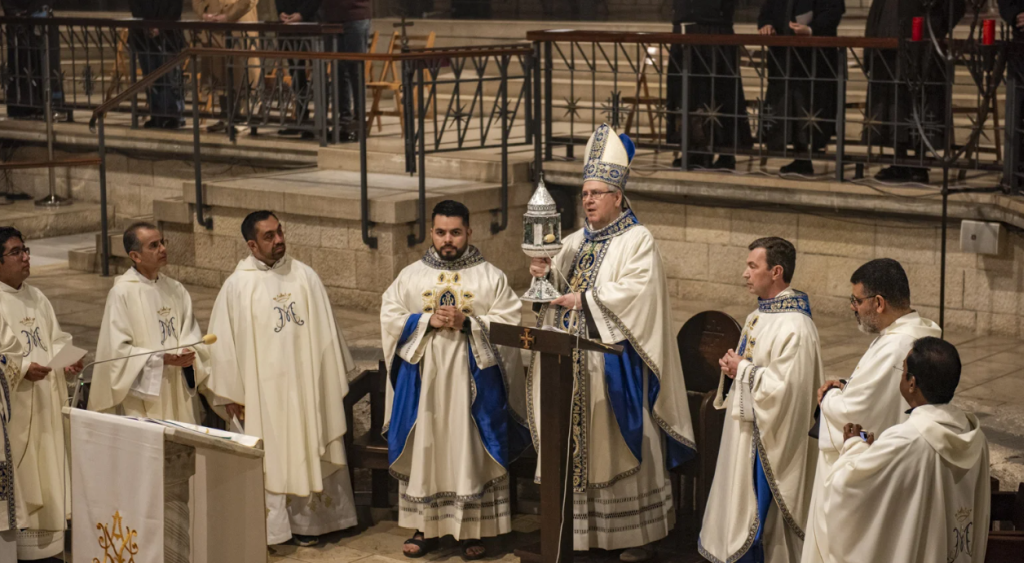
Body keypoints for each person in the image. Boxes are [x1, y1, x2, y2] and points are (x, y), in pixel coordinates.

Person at [528, 124, 696, 562]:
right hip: (570, 365)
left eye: (598, 193)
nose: (587, 200)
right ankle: (578, 533)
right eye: (584, 192)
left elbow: (638, 296)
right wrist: (542, 275)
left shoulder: (637, 240)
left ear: (618, 197)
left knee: (616, 445)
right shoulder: (576, 240)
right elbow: (552, 282)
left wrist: (583, 299)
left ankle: (634, 535)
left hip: (613, 368)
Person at [382, 200, 530, 560]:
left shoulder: (490, 276)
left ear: (469, 232)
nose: (448, 240)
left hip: (472, 388)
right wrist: (423, 322)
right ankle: (425, 527)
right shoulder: (411, 275)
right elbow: (389, 315)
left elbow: (510, 321)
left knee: (468, 451)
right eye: (441, 232)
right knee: (428, 448)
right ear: (431, 232)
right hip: (426, 386)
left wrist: (469, 324)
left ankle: (471, 530)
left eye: (456, 232)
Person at [205, 210, 357, 547]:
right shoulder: (237, 286)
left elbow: (327, 336)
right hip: (261, 396)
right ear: (251, 244)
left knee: (308, 439)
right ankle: (274, 531)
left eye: (280, 232)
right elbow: (223, 345)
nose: (279, 240)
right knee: (269, 453)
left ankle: (315, 524)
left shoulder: (305, 276)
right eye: (269, 236)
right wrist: (230, 392)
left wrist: (326, 379)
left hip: (305, 387)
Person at [800, 258, 940, 563]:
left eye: (857, 300)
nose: (853, 307)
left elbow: (855, 410)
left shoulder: (896, 344)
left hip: (875, 474)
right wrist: (848, 384)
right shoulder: (917, 331)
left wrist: (831, 395)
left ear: (878, 302)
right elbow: (877, 391)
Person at [699, 236, 824, 563]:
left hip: (768, 439)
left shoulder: (796, 326)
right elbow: (747, 367)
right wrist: (731, 369)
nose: (745, 273)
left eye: (753, 266)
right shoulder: (758, 316)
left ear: (776, 272)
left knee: (758, 521)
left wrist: (745, 369)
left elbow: (791, 391)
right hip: (743, 433)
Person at [822, 337, 990, 563]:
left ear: (912, 383)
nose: (901, 375)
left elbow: (845, 488)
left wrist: (854, 445)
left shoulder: (906, 440)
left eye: (903, 371)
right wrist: (875, 451)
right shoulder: (975, 436)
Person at [0, 227, 83, 560]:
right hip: (17, 414)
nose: (26, 257)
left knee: (49, 473)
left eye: (26, 250)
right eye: (17, 252)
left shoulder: (37, 297)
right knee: (27, 483)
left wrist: (68, 359)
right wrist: (21, 371)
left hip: (46, 403)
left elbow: (55, 338)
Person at [87, 222, 211, 424]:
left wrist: (188, 350)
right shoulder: (122, 293)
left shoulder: (175, 289)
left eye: (162, 242)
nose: (163, 249)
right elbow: (117, 352)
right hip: (143, 394)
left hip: (177, 386)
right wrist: (161, 359)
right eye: (153, 245)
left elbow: (189, 331)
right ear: (135, 256)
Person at [864, 0, 965, 183]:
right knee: (893, 105)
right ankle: (899, 160)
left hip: (922, 46)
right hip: (886, 45)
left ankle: (920, 161)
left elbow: (956, 6)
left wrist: (934, 27)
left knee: (920, 103)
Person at [758, 0, 845, 175]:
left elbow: (834, 10)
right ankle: (799, 156)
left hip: (814, 61)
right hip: (784, 60)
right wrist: (767, 25)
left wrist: (811, 29)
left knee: (809, 107)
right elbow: (767, 11)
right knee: (788, 106)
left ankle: (805, 158)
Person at [668, 0, 751, 170]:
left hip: (715, 29)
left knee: (720, 92)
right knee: (688, 94)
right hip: (685, 28)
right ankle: (694, 150)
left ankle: (726, 152)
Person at [192, 0, 260, 133]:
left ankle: (242, 117)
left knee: (241, 72)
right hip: (214, 27)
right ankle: (225, 116)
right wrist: (204, 13)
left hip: (239, 24)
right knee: (218, 71)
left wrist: (228, 16)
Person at [0, 0, 64, 120]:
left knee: (47, 64)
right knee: (25, 63)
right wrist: (21, 14)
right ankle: (25, 106)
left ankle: (52, 105)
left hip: (42, 22)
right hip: (20, 28)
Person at [128, 0, 186, 129]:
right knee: (151, 77)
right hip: (143, 36)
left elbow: (175, 7)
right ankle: (156, 114)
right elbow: (135, 6)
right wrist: (148, 25)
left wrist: (160, 27)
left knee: (170, 77)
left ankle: (173, 114)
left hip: (169, 35)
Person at [321, 0, 372, 140]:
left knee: (355, 70)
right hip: (332, 19)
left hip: (355, 16)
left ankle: (358, 122)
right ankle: (344, 121)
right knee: (338, 71)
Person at [276, 0, 322, 137]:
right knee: (296, 71)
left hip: (312, 22)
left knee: (318, 72)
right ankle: (301, 117)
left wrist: (302, 14)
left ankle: (320, 121)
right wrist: (281, 13)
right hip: (289, 25)